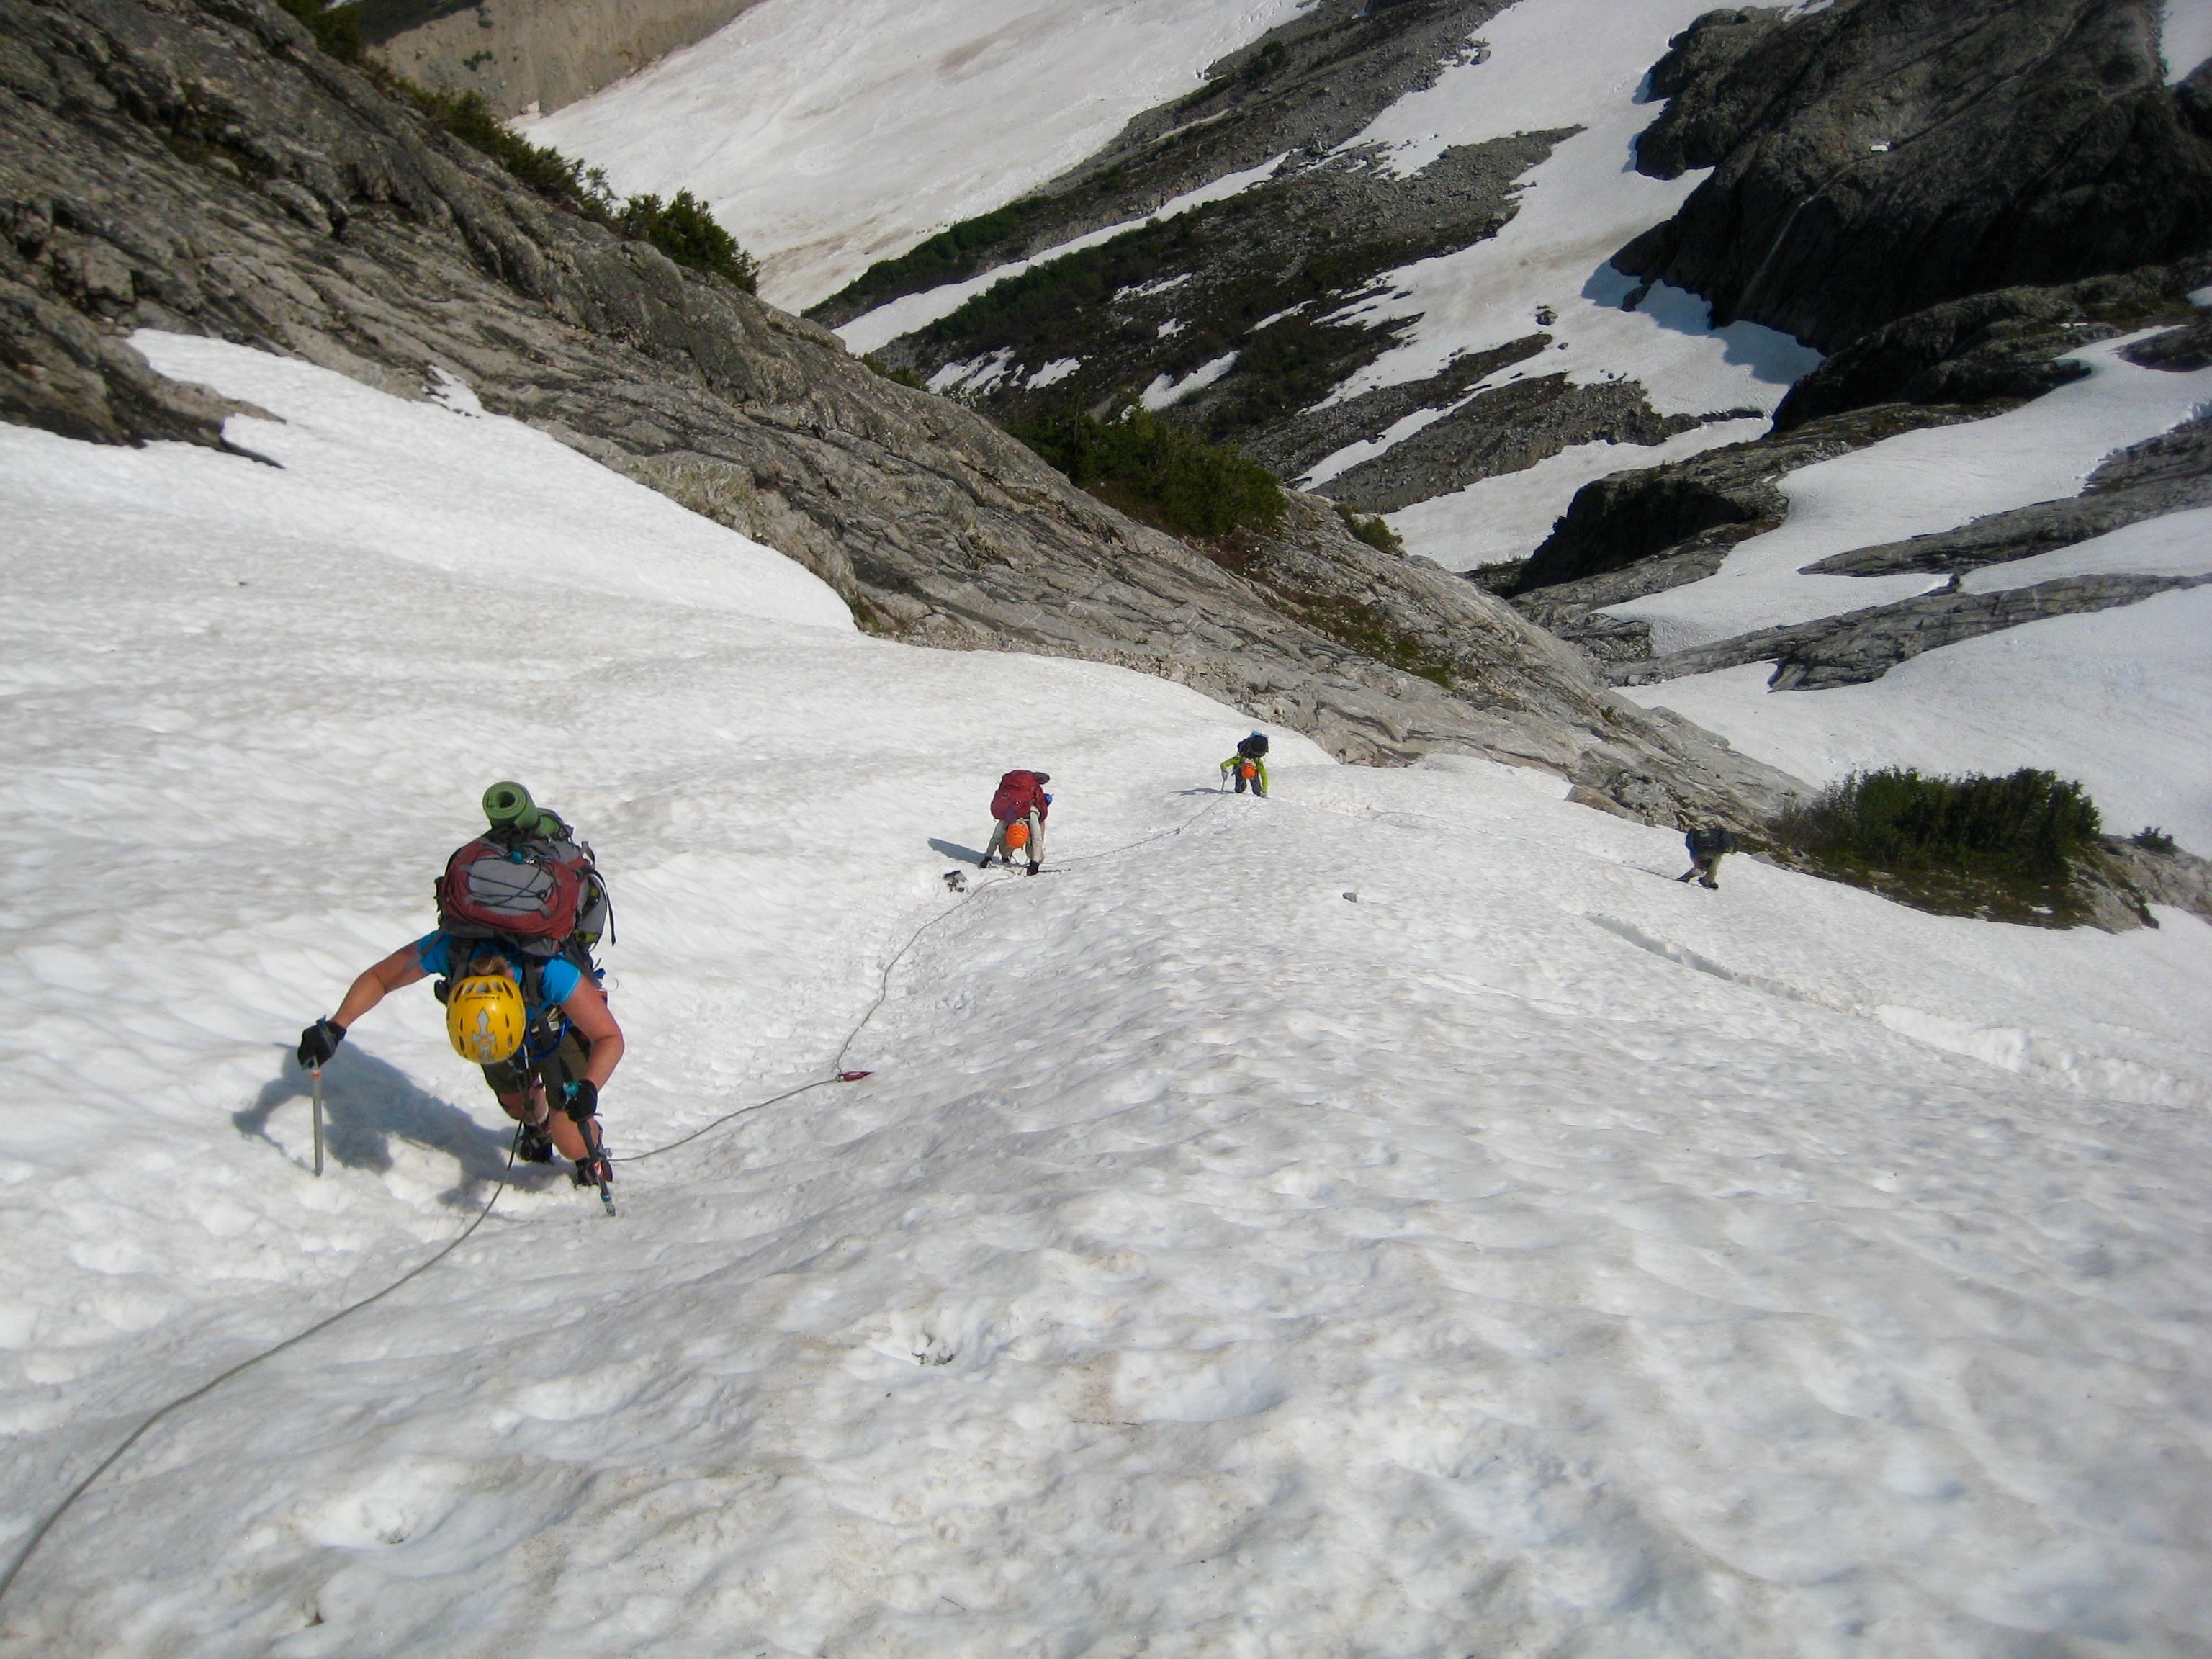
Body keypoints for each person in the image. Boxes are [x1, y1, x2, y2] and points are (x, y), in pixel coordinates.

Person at [296, 783, 624, 1195]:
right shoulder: (454, 952)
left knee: (568, 1128)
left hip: (556, 1026)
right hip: (495, 1026)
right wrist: (336, 1028)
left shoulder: (549, 971)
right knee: (514, 1101)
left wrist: (587, 1091)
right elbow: (380, 978)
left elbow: (608, 1037)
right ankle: (535, 1123)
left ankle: (584, 1153)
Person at [981, 769, 1051, 875]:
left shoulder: (1031, 816)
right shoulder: (1007, 818)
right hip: (1017, 820)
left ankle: (1012, 855)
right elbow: (995, 838)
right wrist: (988, 857)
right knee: (1008, 845)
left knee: (1037, 853)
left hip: (1032, 815)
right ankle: (1006, 856)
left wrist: (1035, 862)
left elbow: (1037, 838)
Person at [1678, 824, 1738, 889]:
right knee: (1712, 868)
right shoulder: (1724, 835)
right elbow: (1727, 846)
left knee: (1700, 868)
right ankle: (1708, 881)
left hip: (1696, 852)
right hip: (1713, 853)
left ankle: (1685, 878)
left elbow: (1689, 844)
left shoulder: (1701, 833)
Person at [1220, 732, 1270, 796]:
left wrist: (1264, 791)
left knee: (1256, 791)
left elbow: (1224, 764)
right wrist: (1264, 791)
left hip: (1249, 771)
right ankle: (1244, 788)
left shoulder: (1254, 761)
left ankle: (1256, 790)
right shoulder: (1241, 759)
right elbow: (1264, 776)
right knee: (1239, 790)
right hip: (1241, 770)